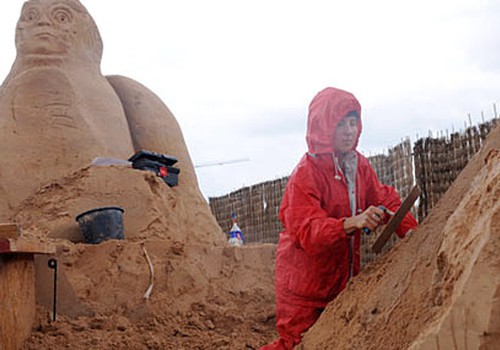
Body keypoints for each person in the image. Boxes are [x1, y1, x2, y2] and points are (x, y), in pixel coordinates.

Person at [261, 87, 418, 349]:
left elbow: (384, 198)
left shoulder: (359, 166)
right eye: (340, 123)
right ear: (324, 126)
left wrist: (411, 231)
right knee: (296, 345)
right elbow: (308, 231)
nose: (348, 130)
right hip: (304, 291)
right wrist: (350, 223)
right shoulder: (305, 174)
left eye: (352, 122)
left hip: (341, 284)